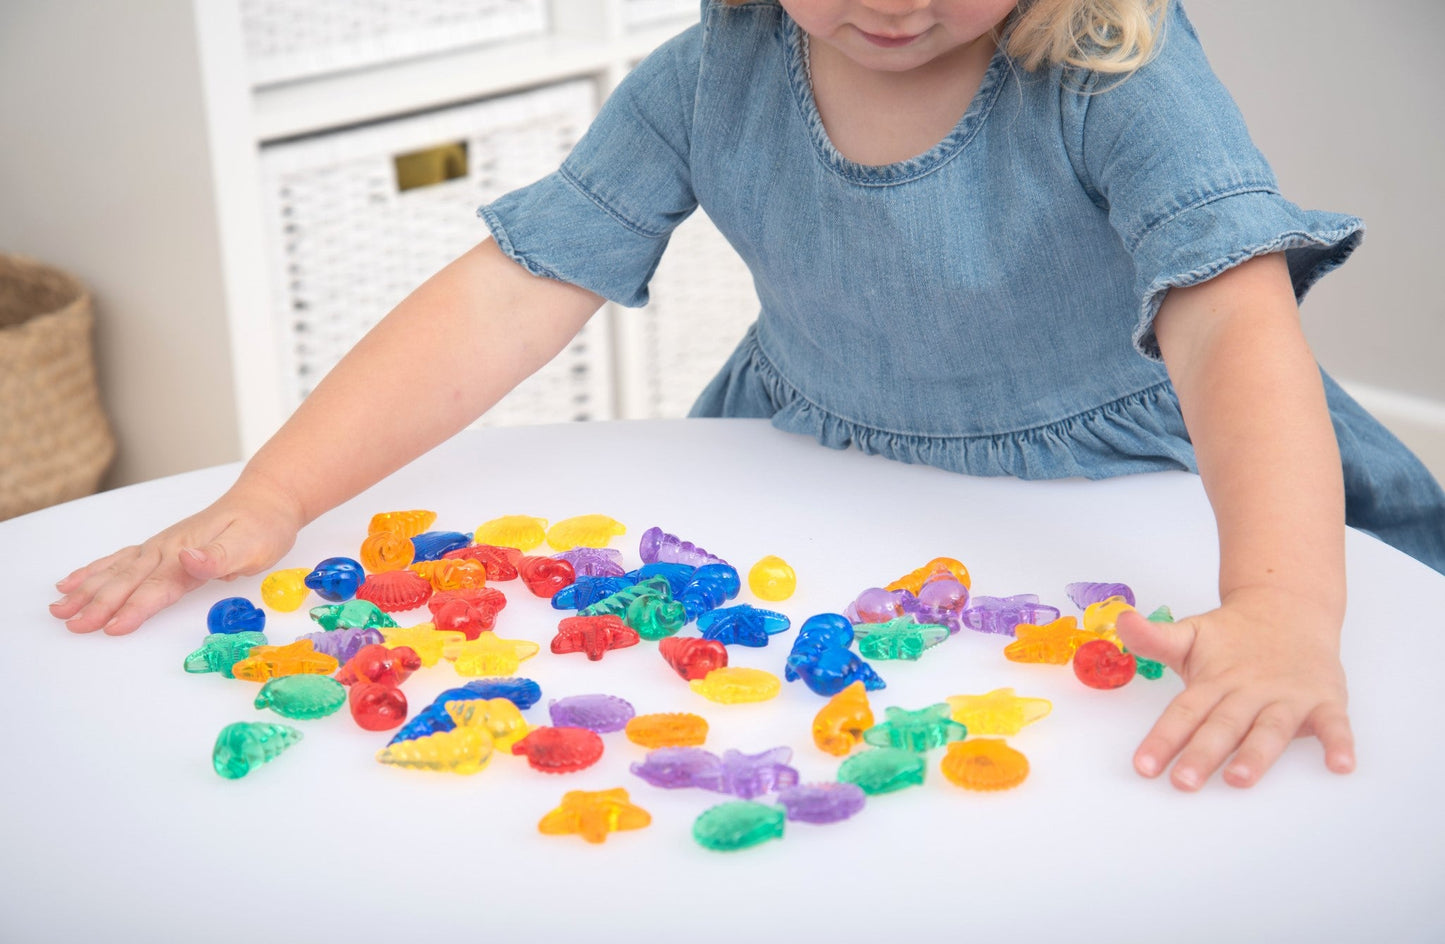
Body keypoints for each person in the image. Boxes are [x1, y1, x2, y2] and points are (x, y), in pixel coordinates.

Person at [50, 0, 1445, 793]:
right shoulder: (705, 77)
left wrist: (1275, 606)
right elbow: (506, 292)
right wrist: (271, 494)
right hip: (814, 468)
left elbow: (1231, 332)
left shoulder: (1109, 71)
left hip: (1145, 474)